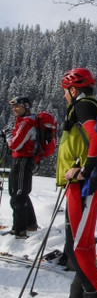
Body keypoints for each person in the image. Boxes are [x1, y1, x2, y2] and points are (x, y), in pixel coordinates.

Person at [41, 67, 97, 298]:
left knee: (81, 250)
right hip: (78, 187)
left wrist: (84, 170)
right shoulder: (85, 106)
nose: (64, 97)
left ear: (75, 90)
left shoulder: (84, 106)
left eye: (65, 91)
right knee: (75, 248)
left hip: (84, 187)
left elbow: (95, 138)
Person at [4, 96, 38, 237]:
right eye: (13, 107)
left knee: (17, 194)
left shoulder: (26, 123)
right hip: (24, 160)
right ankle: (30, 224)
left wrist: (7, 136)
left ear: (26, 107)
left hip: (22, 160)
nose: (14, 109)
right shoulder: (25, 122)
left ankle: (19, 230)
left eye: (17, 106)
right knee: (20, 192)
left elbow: (14, 144)